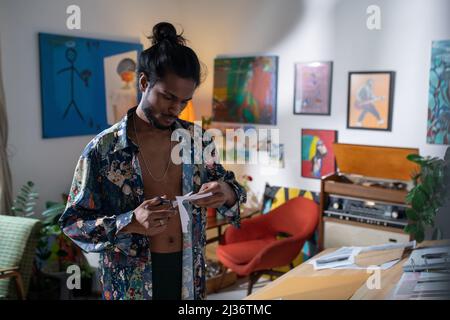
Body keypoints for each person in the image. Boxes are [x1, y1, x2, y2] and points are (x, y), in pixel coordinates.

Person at [59, 22, 246, 300]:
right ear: (144, 82)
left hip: (188, 275)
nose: (176, 108)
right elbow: (73, 224)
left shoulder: (197, 140)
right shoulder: (104, 149)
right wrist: (130, 221)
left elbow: (232, 190)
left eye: (184, 101)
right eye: (168, 97)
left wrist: (226, 192)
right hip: (130, 281)